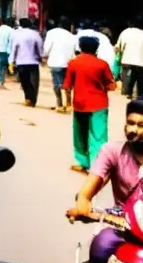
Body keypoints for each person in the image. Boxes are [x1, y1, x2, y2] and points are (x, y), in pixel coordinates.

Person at [66, 99, 143, 263]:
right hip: (121, 220)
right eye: (131, 123)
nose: (134, 130)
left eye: (141, 125)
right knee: (101, 247)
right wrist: (83, 203)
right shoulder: (112, 151)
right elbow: (90, 186)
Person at [65, 35, 117, 173]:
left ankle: (82, 162)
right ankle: (98, 166)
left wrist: (67, 103)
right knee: (99, 135)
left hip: (80, 104)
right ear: (96, 48)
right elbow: (111, 85)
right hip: (99, 104)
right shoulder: (102, 64)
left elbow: (67, 86)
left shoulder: (73, 63)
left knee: (80, 134)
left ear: (80, 47)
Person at [44, 17, 78, 113]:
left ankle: (59, 104)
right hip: (69, 63)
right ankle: (68, 104)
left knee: (57, 84)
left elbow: (46, 49)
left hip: (55, 62)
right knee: (67, 84)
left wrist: (46, 55)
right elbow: (76, 50)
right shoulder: (72, 36)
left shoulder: (51, 33)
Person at [10, 18, 44, 107]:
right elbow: (40, 48)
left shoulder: (17, 35)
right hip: (33, 62)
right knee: (34, 83)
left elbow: (14, 49)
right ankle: (33, 100)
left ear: (21, 25)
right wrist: (41, 58)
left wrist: (11, 62)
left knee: (25, 82)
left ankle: (27, 98)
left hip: (21, 62)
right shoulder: (36, 35)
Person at [116, 17, 143, 99]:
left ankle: (128, 93)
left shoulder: (125, 32)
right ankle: (140, 95)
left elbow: (118, 47)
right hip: (140, 62)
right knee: (140, 78)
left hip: (127, 60)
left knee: (128, 77)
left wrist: (119, 54)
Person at [0, 18, 14, 88]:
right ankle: (2, 82)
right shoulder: (11, 31)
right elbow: (11, 42)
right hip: (6, 51)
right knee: (4, 68)